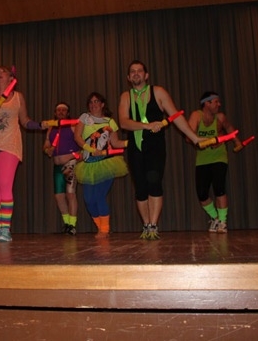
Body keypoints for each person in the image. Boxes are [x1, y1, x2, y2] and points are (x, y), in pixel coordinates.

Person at [118, 60, 203, 240]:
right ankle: (146, 224)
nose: (136, 73)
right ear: (128, 77)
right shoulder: (126, 97)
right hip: (135, 147)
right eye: (132, 71)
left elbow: (176, 117)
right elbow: (123, 122)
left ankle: (153, 225)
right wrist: (147, 126)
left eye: (139, 70)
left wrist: (195, 138)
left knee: (154, 181)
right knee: (140, 188)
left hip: (155, 146)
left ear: (146, 75)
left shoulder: (158, 92)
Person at [0, 66, 47, 242]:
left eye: (3, 71)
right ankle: (1, 227)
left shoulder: (18, 97)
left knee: (5, 185)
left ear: (11, 77)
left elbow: (25, 121)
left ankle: (5, 229)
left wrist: (39, 125)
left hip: (11, 144)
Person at [74, 92, 128, 239]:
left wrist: (131, 142)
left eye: (96, 101)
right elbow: (77, 137)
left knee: (99, 196)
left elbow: (116, 142)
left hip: (106, 163)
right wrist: (90, 149)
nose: (93, 104)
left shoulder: (110, 121)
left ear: (102, 104)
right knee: (88, 200)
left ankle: (104, 229)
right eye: (91, 102)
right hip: (88, 164)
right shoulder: (84, 118)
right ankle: (101, 227)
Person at [188, 91, 242, 233]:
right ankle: (215, 218)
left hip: (219, 157)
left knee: (219, 188)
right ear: (207, 103)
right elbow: (189, 136)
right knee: (202, 193)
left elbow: (229, 128)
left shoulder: (220, 117)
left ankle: (223, 222)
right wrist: (204, 142)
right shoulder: (196, 116)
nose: (219, 104)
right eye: (216, 102)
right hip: (202, 160)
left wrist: (237, 142)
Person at [43, 102, 80, 235]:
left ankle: (72, 225)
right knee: (59, 196)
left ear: (68, 113)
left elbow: (82, 144)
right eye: (58, 110)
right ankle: (67, 223)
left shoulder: (73, 126)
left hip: (70, 163)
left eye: (64, 110)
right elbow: (46, 145)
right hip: (57, 165)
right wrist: (47, 150)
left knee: (70, 194)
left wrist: (74, 155)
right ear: (55, 112)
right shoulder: (51, 127)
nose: (61, 112)